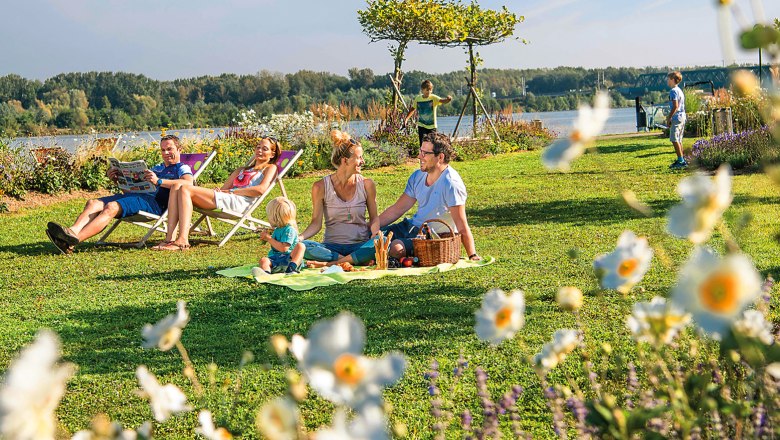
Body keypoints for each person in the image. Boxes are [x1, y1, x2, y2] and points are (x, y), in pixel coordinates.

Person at [46, 135, 193, 254]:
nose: (166, 153)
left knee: (111, 207)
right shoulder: (157, 168)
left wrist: (159, 181)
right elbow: (131, 190)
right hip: (137, 197)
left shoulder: (181, 167)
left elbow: (188, 183)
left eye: (169, 149)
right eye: (162, 150)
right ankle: (71, 232)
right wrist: (118, 180)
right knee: (93, 203)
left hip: (154, 203)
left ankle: (72, 242)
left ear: (179, 149)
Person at [152, 136, 280, 251]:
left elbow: (260, 190)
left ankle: (182, 240)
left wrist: (232, 191)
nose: (259, 151)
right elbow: (224, 189)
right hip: (227, 198)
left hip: (240, 202)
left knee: (185, 188)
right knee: (177, 186)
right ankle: (169, 239)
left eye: (265, 149)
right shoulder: (241, 170)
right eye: (258, 147)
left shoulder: (270, 168)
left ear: (272, 153)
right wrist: (221, 190)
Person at [378, 132, 480, 261]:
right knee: (374, 237)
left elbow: (462, 225)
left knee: (395, 248)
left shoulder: (451, 184)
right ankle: (347, 256)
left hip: (429, 238)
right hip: (409, 227)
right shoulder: (417, 176)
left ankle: (354, 258)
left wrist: (472, 255)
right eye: (421, 151)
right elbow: (397, 209)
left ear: (440, 157)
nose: (419, 156)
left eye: (425, 153)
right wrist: (372, 226)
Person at [300, 130, 380, 268]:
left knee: (381, 240)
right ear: (345, 160)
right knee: (302, 246)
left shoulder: (367, 184)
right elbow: (315, 223)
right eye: (359, 157)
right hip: (331, 249)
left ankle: (330, 264)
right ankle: (353, 260)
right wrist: (298, 238)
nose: (363, 161)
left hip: (359, 245)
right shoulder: (320, 187)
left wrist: (374, 233)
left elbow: (374, 218)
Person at [258, 197, 305, 274]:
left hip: (289, 259)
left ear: (275, 217)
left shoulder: (289, 230)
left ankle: (292, 268)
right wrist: (264, 239)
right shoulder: (277, 229)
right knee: (263, 260)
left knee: (300, 246)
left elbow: (284, 248)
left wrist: (269, 239)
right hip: (275, 259)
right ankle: (266, 273)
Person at [404, 79, 452, 146]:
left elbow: (442, 101)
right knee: (423, 144)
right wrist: (406, 119)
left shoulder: (433, 98)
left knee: (433, 145)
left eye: (430, 90)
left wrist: (448, 99)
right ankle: (423, 155)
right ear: (422, 90)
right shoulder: (418, 98)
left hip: (432, 127)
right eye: (427, 90)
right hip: (422, 125)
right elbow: (412, 109)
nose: (429, 91)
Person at [666, 71, 687, 169]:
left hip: (676, 117)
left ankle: (681, 161)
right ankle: (682, 159)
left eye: (668, 79)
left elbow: (675, 106)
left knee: (674, 139)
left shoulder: (673, 91)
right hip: (682, 116)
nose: (667, 81)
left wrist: (669, 117)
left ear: (672, 79)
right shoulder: (679, 90)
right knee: (679, 139)